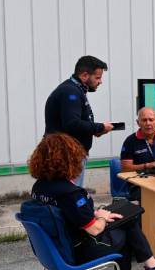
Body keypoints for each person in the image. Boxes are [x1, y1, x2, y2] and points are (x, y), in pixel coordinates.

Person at [28, 134, 155, 270]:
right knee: (128, 224)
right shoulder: (70, 193)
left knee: (124, 219)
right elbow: (95, 230)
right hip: (78, 252)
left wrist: (96, 214)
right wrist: (102, 217)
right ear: (70, 160)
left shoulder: (39, 187)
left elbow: (69, 215)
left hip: (54, 250)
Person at [44, 56, 114, 187]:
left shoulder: (74, 90)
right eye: (98, 78)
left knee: (65, 196)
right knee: (68, 197)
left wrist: (96, 130)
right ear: (85, 75)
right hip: (67, 156)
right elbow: (72, 124)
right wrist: (99, 127)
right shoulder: (70, 92)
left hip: (69, 154)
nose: (100, 82)